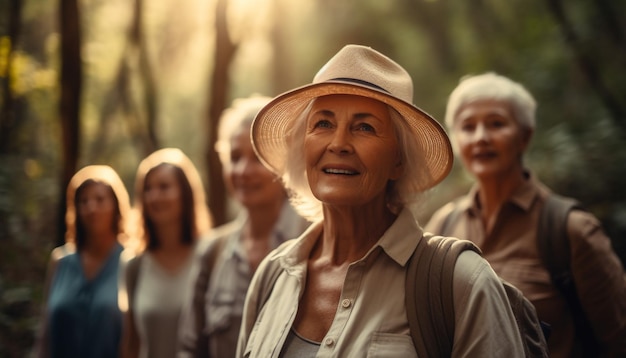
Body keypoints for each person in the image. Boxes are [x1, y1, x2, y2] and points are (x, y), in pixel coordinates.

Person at [235, 44, 527, 357]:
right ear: (303, 147)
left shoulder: (461, 282)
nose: (339, 143)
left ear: (398, 161)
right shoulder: (272, 275)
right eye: (323, 123)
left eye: (364, 127)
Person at [425, 72, 626, 357]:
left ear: (525, 136)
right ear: (456, 140)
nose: (481, 137)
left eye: (496, 124)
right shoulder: (442, 226)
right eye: (468, 127)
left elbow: (618, 340)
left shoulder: (570, 230)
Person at [177, 95, 310, 357]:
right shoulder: (212, 252)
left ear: (284, 164)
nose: (244, 171)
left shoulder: (318, 241)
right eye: (235, 157)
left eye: (258, 158)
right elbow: (190, 349)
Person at [119, 148, 212, 358]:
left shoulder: (210, 255)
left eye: (164, 187)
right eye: (148, 189)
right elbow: (131, 344)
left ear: (185, 194)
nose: (154, 196)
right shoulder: (133, 264)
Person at [37, 165, 131, 358]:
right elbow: (44, 335)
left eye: (100, 199)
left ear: (116, 205)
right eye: (84, 201)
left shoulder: (130, 262)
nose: (91, 208)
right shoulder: (60, 261)